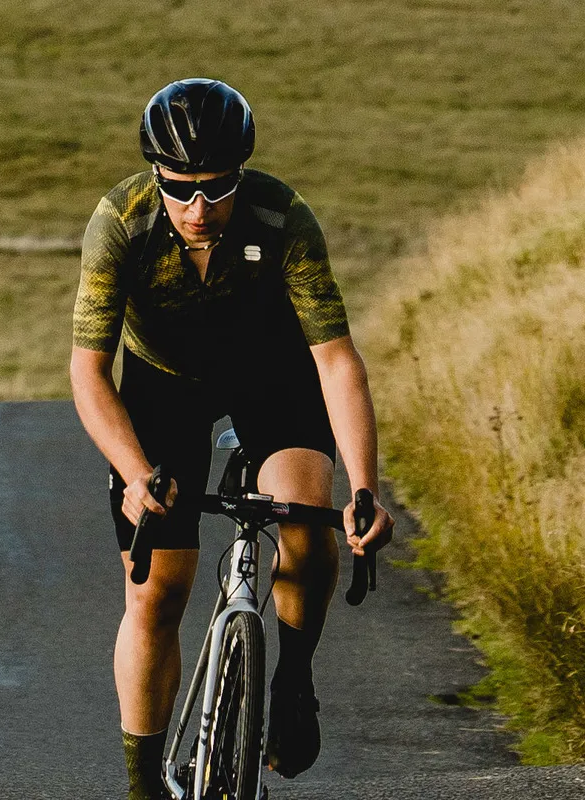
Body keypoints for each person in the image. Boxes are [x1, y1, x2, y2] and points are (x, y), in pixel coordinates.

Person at [66, 78, 396, 799]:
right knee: (156, 591)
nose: (199, 208)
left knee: (308, 524)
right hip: (163, 387)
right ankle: (143, 784)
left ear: (239, 174)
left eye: (217, 189)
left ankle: (294, 678)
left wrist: (364, 486)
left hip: (269, 375)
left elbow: (335, 361)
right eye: (180, 189)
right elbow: (89, 372)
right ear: (158, 176)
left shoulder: (281, 217)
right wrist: (133, 472)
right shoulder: (121, 220)